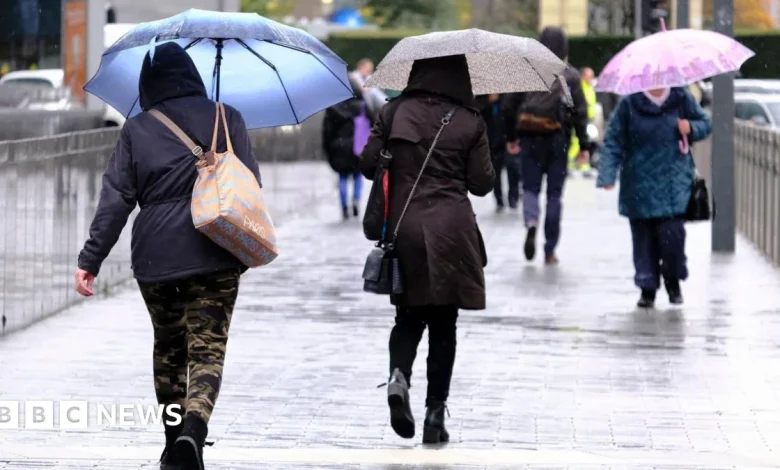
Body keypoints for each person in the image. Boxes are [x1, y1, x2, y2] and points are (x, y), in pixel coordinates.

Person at [73, 42, 261, 470]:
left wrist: (91, 259)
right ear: (193, 76)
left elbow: (116, 200)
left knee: (170, 349)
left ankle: (172, 440)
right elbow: (252, 186)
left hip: (156, 258)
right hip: (216, 250)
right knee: (207, 349)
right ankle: (194, 432)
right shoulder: (226, 117)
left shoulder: (137, 128)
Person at [359, 55, 495, 444]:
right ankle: (435, 414)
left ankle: (399, 376)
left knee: (407, 317)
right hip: (453, 231)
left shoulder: (394, 110)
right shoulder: (470, 120)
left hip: (406, 228)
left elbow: (368, 164)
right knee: (444, 325)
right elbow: (482, 183)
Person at [596, 86, 712, 308]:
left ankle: (673, 279)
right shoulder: (629, 104)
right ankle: (647, 288)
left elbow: (705, 124)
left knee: (673, 235)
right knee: (643, 238)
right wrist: (607, 175)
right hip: (638, 180)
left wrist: (691, 128)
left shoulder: (681, 98)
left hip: (674, 179)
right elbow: (613, 140)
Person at [502, 26, 590, 265]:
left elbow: (508, 107)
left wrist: (511, 138)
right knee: (554, 195)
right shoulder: (569, 76)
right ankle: (549, 250)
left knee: (530, 189)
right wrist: (584, 145)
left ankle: (531, 223)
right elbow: (579, 112)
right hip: (558, 140)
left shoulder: (527, 72)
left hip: (529, 138)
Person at [322, 77, 371, 219]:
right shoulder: (362, 105)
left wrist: (328, 149)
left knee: (342, 176)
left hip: (338, 147)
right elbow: (372, 125)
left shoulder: (332, 108)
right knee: (357, 175)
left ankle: (344, 207)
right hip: (358, 146)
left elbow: (327, 131)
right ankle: (355, 200)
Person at [477, 93, 518, 212]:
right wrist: (488, 102)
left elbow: (513, 113)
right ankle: (499, 199)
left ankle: (513, 197)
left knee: (513, 168)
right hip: (491, 139)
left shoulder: (509, 96)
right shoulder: (483, 96)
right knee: (495, 171)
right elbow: (477, 111)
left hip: (509, 138)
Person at [567, 67, 596, 176]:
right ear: (583, 76)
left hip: (588, 118)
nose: (591, 78)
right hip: (580, 118)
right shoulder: (579, 86)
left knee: (585, 142)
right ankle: (569, 164)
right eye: (590, 76)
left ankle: (583, 165)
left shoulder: (590, 87)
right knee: (576, 142)